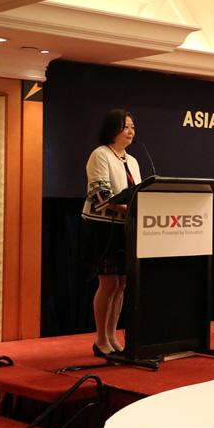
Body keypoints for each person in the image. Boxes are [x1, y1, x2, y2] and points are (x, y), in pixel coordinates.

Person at [81, 110, 140, 357]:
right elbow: (100, 195)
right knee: (108, 283)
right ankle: (101, 339)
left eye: (133, 126)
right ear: (112, 129)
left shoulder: (133, 160)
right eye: (126, 126)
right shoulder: (101, 154)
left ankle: (113, 337)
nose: (131, 131)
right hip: (104, 227)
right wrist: (130, 208)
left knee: (121, 284)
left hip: (125, 227)